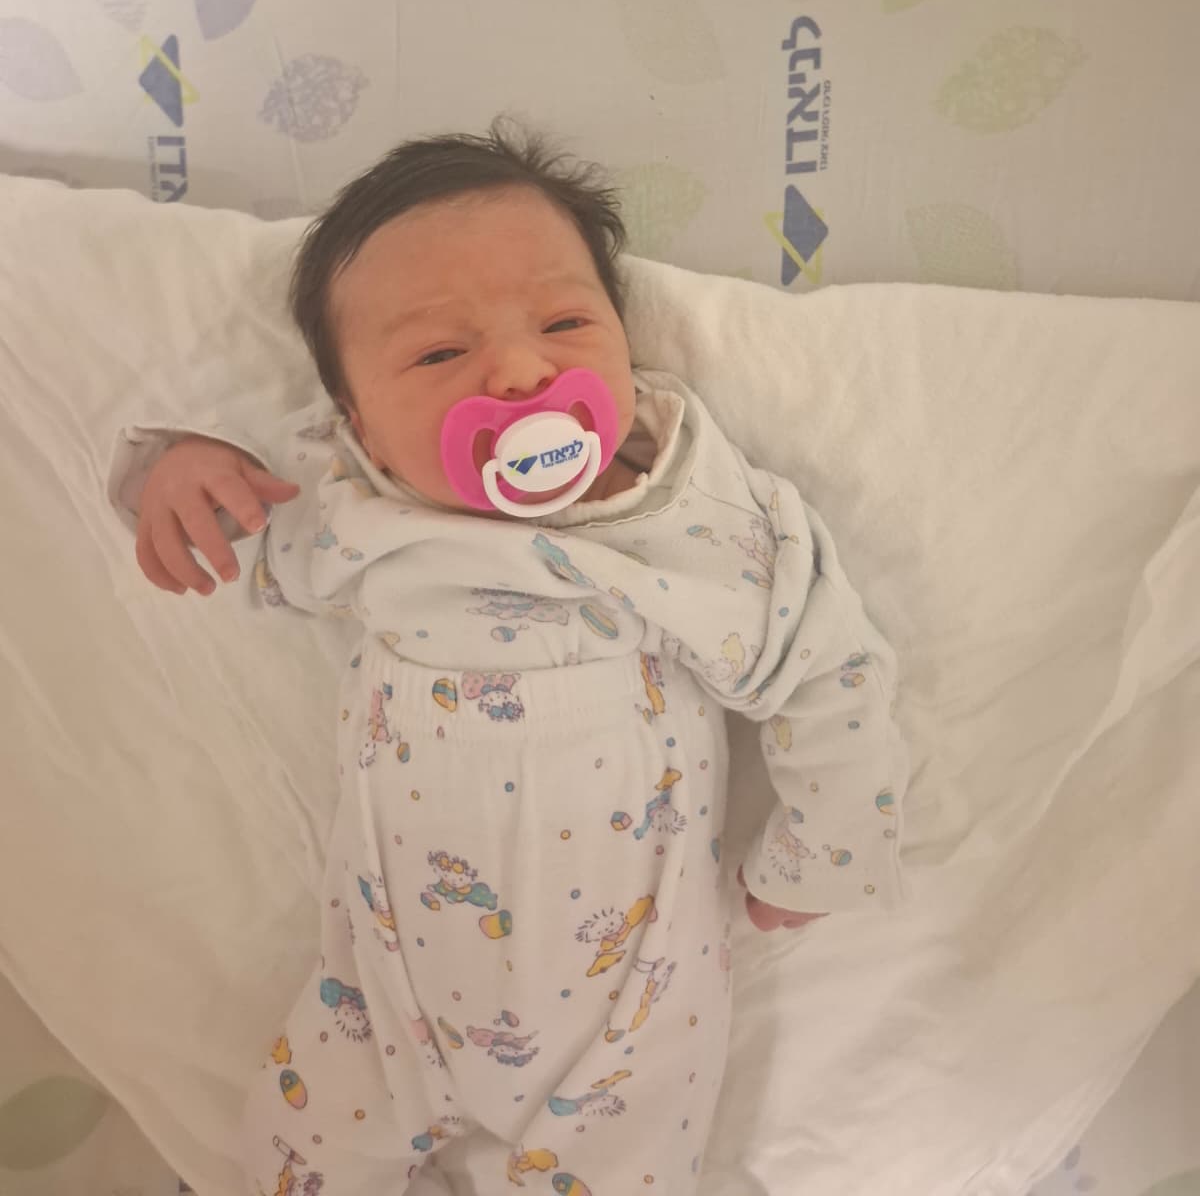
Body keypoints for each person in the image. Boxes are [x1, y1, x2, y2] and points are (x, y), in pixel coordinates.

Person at [109, 123, 907, 1196]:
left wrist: (822, 845)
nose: (524, 371)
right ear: (360, 425)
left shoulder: (697, 515)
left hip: (629, 1020)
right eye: (440, 354)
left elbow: (829, 667)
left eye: (566, 323)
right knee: (283, 1166)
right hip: (381, 1002)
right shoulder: (352, 502)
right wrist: (181, 467)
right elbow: (226, 518)